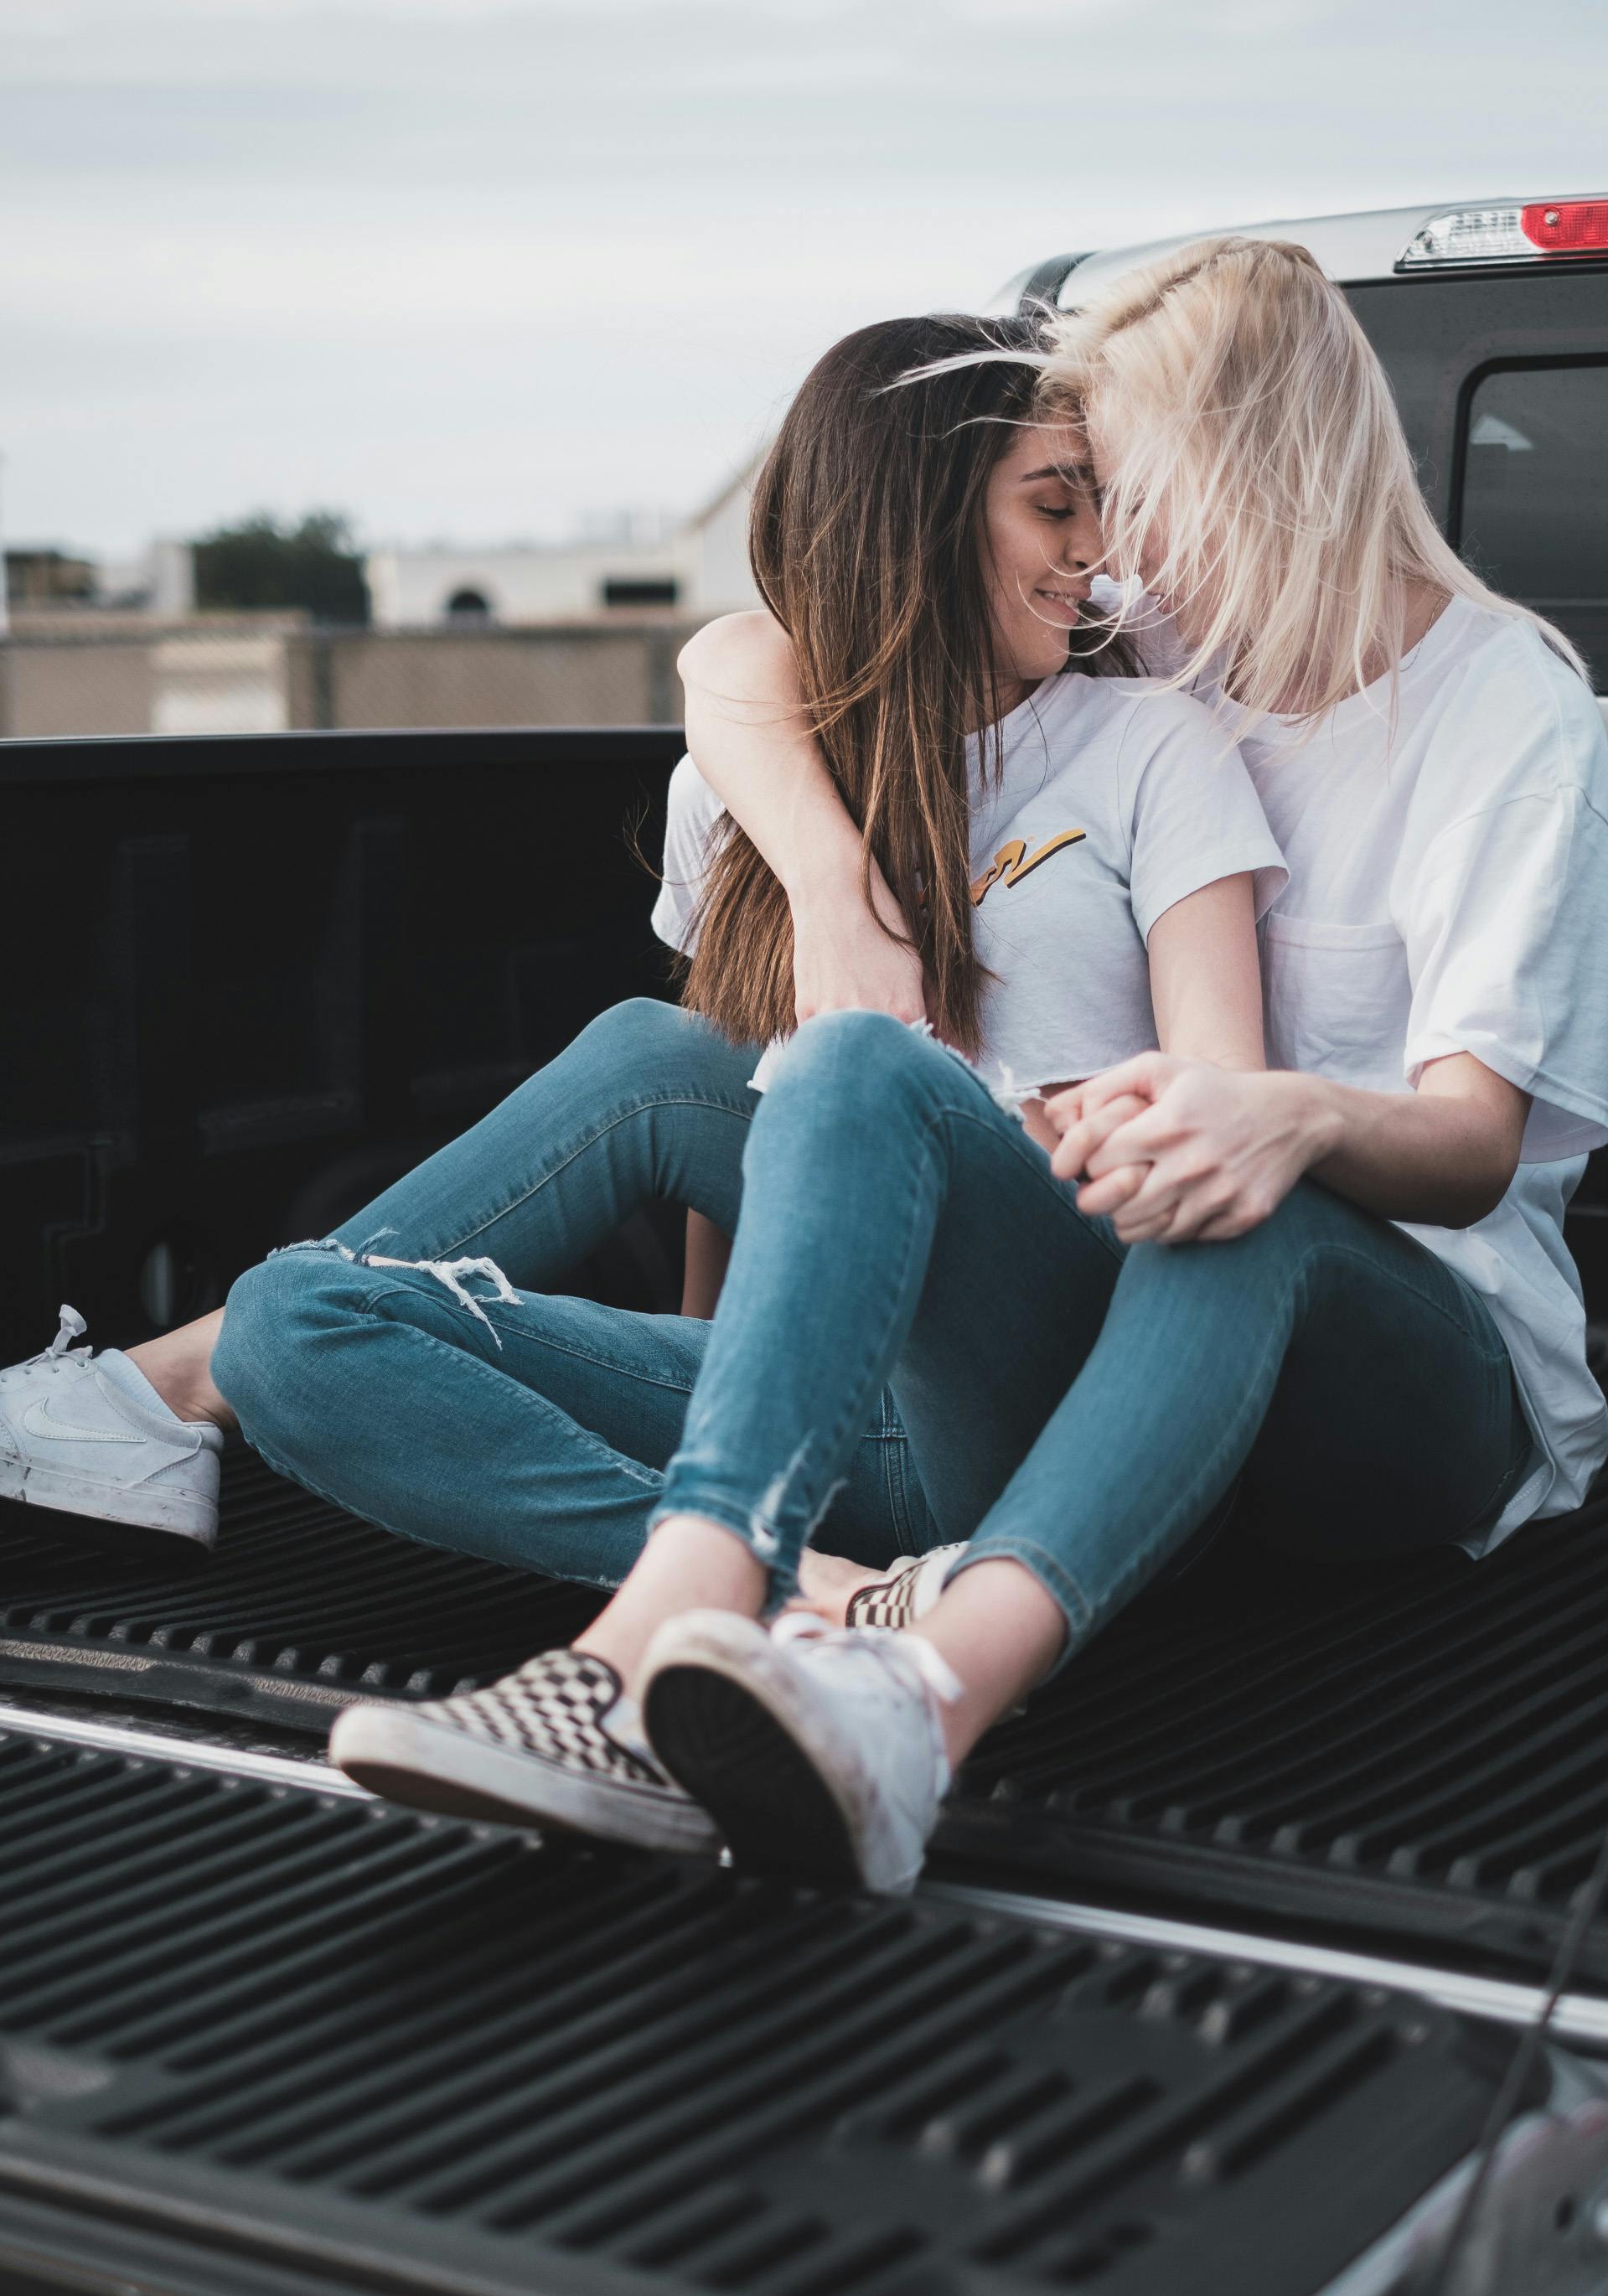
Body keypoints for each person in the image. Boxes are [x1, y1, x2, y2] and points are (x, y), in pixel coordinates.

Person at [374, 233, 1608, 1900]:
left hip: (1426, 1380)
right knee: (842, 1072)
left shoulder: (1505, 719)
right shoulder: (1167, 655)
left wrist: (1286, 1110)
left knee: (1229, 1192)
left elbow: (1471, 1148)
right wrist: (835, 887)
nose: (1106, 552)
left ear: (1266, 474)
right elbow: (751, 649)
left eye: (1133, 490)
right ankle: (686, 1613)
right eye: (1077, 498)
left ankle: (918, 1711)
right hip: (1140, 1360)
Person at [0, 308, 1278, 1854]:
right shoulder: (746, 782)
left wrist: (1075, 1124)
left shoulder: (1151, 746)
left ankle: (142, 1396)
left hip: (1048, 1368)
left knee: (665, 1056)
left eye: (1097, 501)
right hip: (849, 1430)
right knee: (295, 1323)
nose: (1094, 548)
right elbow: (740, 1153)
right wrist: (735, 1389)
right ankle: (824, 1594)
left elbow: (1228, 1102)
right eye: (1054, 501)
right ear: (917, 517)